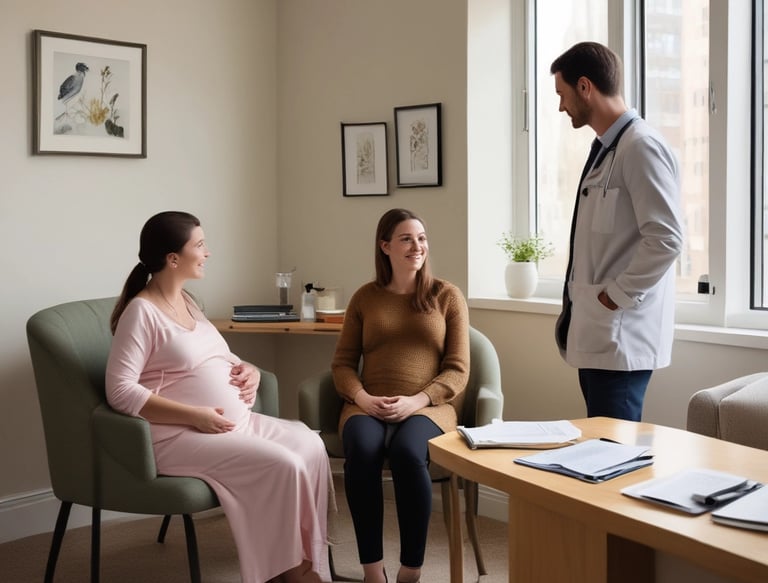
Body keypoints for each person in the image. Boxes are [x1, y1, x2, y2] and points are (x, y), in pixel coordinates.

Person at [105, 211, 331, 583]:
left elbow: (217, 355)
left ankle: (310, 558)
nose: (207, 252)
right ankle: (289, 571)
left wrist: (249, 369)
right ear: (173, 258)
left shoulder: (188, 301)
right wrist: (194, 416)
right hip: (178, 436)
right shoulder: (141, 313)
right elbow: (120, 391)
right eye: (200, 245)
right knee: (283, 464)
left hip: (231, 425)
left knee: (310, 444)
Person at [331, 208, 470, 583]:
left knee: (409, 453)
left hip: (429, 407)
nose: (417, 246)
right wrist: (361, 398)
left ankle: (411, 569)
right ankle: (372, 570)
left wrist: (417, 400)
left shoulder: (446, 295)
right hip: (368, 404)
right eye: (406, 239)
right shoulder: (365, 298)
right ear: (385, 246)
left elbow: (458, 369)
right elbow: (342, 364)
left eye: (421, 238)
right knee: (362, 451)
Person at [550, 42, 684, 421]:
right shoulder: (608, 149)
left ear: (585, 87)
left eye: (562, 94)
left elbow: (667, 238)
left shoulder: (641, 147)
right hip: (599, 333)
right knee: (601, 446)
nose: (561, 106)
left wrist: (616, 296)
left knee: (614, 449)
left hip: (620, 335)